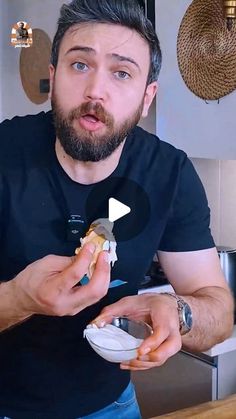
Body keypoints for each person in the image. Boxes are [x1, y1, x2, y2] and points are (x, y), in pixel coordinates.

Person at [0, 0, 234, 418]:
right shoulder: (4, 154)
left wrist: (178, 312)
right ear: (53, 79)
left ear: (147, 98)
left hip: (111, 405)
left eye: (122, 72)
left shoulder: (170, 174)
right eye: (79, 65)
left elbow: (218, 309)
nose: (95, 91)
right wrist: (18, 299)